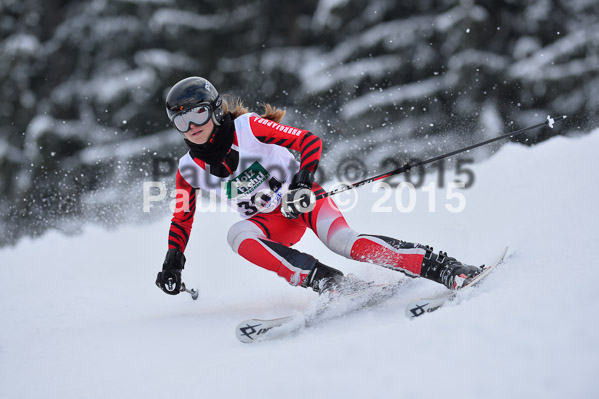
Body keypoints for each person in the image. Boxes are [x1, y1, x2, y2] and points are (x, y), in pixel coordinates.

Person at [155, 76, 480, 296]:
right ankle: (328, 281)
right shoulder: (188, 169)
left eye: (197, 114)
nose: (192, 127)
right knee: (237, 234)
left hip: (302, 203)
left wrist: (302, 182)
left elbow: (308, 141)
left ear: (214, 109)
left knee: (346, 243)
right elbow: (182, 217)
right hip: (269, 224)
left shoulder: (248, 127)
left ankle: (443, 267)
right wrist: (173, 260)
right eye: (181, 121)